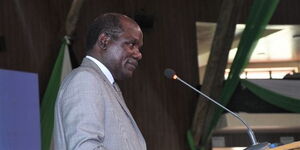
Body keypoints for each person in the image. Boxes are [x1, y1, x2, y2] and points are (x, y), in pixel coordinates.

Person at [53, 13, 146, 150]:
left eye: (139, 48)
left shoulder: (106, 84)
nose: (138, 54)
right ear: (104, 41)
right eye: (132, 44)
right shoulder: (85, 80)